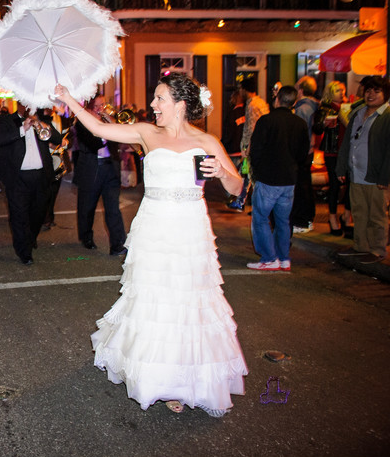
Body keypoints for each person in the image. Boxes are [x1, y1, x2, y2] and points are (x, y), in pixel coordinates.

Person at [55, 73, 247, 417]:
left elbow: (236, 188)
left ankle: (184, 379)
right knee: (156, 300)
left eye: (160, 99)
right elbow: (99, 130)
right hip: (153, 230)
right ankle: (159, 378)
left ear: (180, 105)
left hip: (190, 232)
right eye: (154, 99)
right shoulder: (147, 132)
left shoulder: (207, 141)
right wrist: (69, 100)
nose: (153, 105)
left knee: (186, 304)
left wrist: (220, 172)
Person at [246, 85, 310, 271]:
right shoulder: (299, 123)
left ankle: (268, 257)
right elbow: (303, 152)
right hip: (289, 178)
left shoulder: (266, 121)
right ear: (294, 102)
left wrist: (256, 171)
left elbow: (256, 150)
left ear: (277, 99)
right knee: (283, 220)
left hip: (268, 177)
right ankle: (283, 257)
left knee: (261, 218)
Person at [0, 103, 60, 265]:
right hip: (18, 177)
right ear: (20, 104)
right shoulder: (6, 120)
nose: (30, 107)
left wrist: (42, 124)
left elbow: (57, 139)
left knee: (38, 213)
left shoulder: (42, 120)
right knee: (19, 215)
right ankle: (24, 251)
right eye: (27, 104)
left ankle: (30, 238)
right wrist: (23, 128)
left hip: (40, 176)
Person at [335, 75, 390, 263]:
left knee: (377, 215)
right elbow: (347, 143)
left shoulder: (386, 117)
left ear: (385, 94)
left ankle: (377, 249)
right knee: (359, 212)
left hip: (376, 177)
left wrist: (385, 177)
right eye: (368, 90)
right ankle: (360, 246)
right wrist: (341, 167)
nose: (371, 94)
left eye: (376, 91)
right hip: (356, 173)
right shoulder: (358, 113)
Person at [73, 96, 127, 255]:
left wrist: (113, 125)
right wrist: (103, 127)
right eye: (97, 106)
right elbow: (93, 143)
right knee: (87, 207)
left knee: (113, 208)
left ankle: (117, 244)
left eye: (103, 105)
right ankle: (86, 237)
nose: (100, 108)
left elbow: (121, 139)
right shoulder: (83, 123)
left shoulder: (109, 121)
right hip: (91, 168)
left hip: (110, 167)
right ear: (89, 107)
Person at [228, 77, 270, 212]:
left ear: (245, 90)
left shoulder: (252, 105)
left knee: (249, 175)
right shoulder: (261, 103)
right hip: (261, 147)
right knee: (247, 175)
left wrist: (247, 149)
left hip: (251, 148)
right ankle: (242, 202)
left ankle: (247, 203)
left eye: (241, 89)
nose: (240, 92)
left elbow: (251, 128)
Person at [314, 81, 350, 235]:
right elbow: (317, 128)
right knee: (335, 185)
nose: (341, 92)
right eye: (337, 90)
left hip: (348, 150)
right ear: (329, 92)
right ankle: (333, 218)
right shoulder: (326, 107)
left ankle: (347, 216)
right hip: (332, 151)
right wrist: (325, 124)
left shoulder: (349, 107)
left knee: (350, 185)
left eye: (342, 89)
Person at [290, 76, 319, 234]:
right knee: (305, 185)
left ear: (300, 90)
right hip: (309, 151)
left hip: (302, 152)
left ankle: (303, 220)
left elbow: (299, 133)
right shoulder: (313, 105)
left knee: (301, 186)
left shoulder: (302, 108)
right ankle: (307, 218)